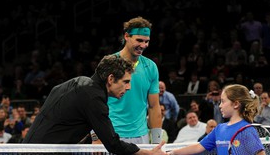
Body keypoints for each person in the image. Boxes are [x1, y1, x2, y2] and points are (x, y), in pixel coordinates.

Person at [23, 55, 166, 154]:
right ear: (111, 79)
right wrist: (148, 153)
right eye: (126, 82)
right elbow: (113, 144)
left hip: (28, 149)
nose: (128, 88)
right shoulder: (93, 98)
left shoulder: (76, 82)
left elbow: (69, 124)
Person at [105, 16, 162, 144]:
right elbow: (95, 102)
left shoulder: (151, 67)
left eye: (146, 41)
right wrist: (95, 136)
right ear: (126, 36)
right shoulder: (109, 63)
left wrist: (157, 142)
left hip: (141, 136)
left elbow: (154, 106)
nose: (143, 45)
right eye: (139, 40)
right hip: (111, 133)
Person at [167, 84, 264, 155]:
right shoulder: (219, 129)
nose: (220, 105)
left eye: (223, 101)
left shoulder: (246, 130)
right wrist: (172, 153)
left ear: (236, 104)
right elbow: (198, 147)